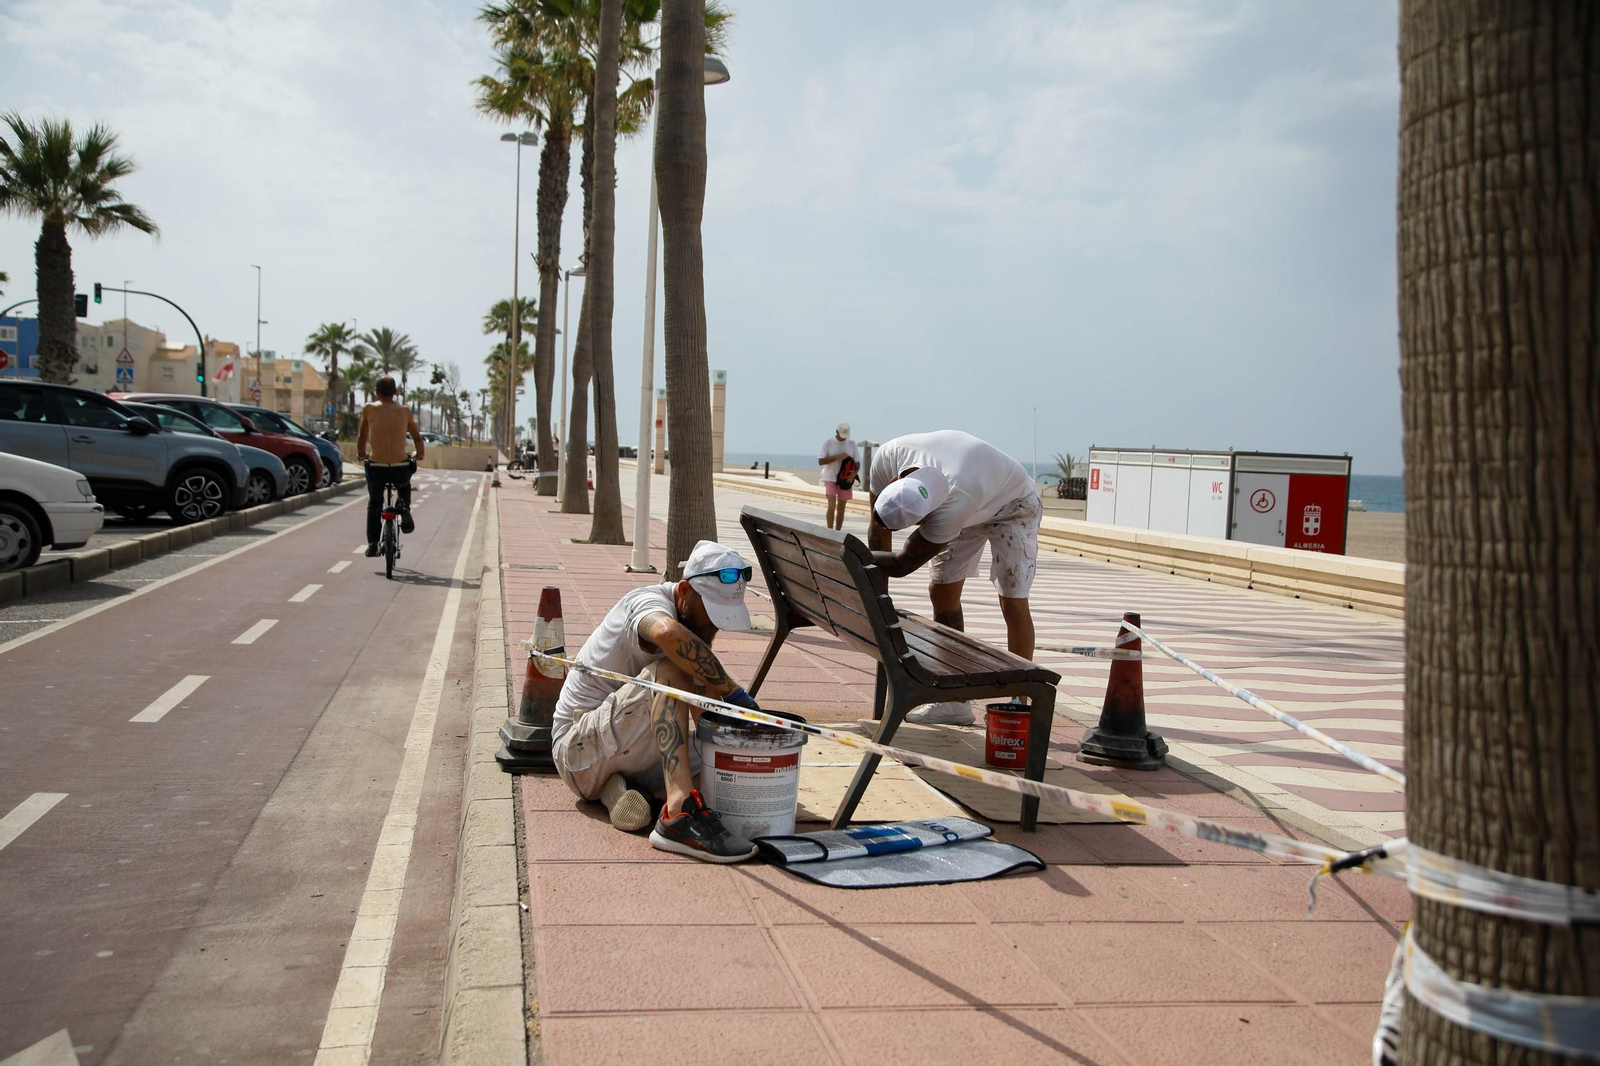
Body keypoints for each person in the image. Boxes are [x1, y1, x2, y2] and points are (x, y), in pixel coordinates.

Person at [551, 541, 771, 863]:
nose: (712, 626)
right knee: (673, 665)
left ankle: (633, 794)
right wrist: (733, 691)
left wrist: (743, 738)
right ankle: (677, 813)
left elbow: (703, 706)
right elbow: (668, 634)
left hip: (621, 750)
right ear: (683, 591)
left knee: (732, 774)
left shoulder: (690, 618)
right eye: (709, 615)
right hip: (577, 748)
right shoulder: (648, 602)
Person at [867, 430, 1041, 725]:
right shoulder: (887, 457)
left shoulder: (951, 509)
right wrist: (877, 593)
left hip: (1014, 503)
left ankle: (1019, 702)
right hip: (975, 490)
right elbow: (878, 527)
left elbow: (900, 564)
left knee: (1012, 601)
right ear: (893, 483)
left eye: (922, 523)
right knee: (942, 592)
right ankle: (954, 702)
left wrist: (861, 565)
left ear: (930, 514)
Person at [356, 375, 424, 557]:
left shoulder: (368, 409)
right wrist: (420, 453)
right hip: (399, 467)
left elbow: (362, 436)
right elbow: (417, 438)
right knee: (404, 487)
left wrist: (362, 454)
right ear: (395, 392)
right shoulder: (404, 411)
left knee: (374, 503)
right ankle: (404, 508)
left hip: (377, 466)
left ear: (376, 392)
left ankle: (372, 544)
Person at [817, 422, 859, 531]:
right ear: (837, 432)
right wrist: (837, 457)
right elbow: (821, 461)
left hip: (845, 480)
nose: (843, 438)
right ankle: (830, 530)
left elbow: (857, 463)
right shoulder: (829, 443)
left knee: (841, 508)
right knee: (832, 506)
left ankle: (838, 532)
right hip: (830, 478)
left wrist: (853, 475)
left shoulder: (851, 444)